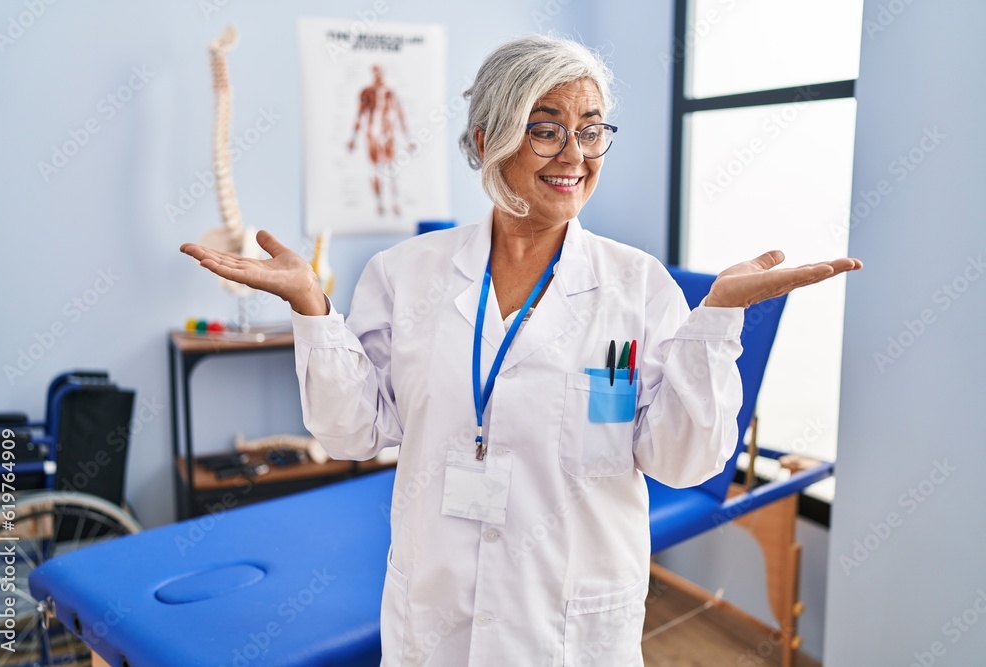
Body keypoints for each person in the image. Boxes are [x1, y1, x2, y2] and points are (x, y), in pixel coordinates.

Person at [181, 34, 860, 667]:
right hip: (436, 616)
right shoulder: (405, 274)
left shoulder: (638, 289)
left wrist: (719, 316)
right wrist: (312, 308)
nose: (575, 154)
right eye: (546, 129)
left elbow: (681, 461)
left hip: (570, 625)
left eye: (591, 130)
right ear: (486, 139)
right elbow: (353, 428)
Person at [347, 63, 414, 216]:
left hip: (388, 134)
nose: (379, 75)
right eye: (376, 72)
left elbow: (400, 115)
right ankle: (379, 204)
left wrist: (408, 139)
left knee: (392, 169)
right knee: (376, 170)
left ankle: (395, 203)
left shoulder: (390, 93)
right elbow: (359, 115)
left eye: (381, 72)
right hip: (373, 135)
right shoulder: (366, 92)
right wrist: (353, 139)